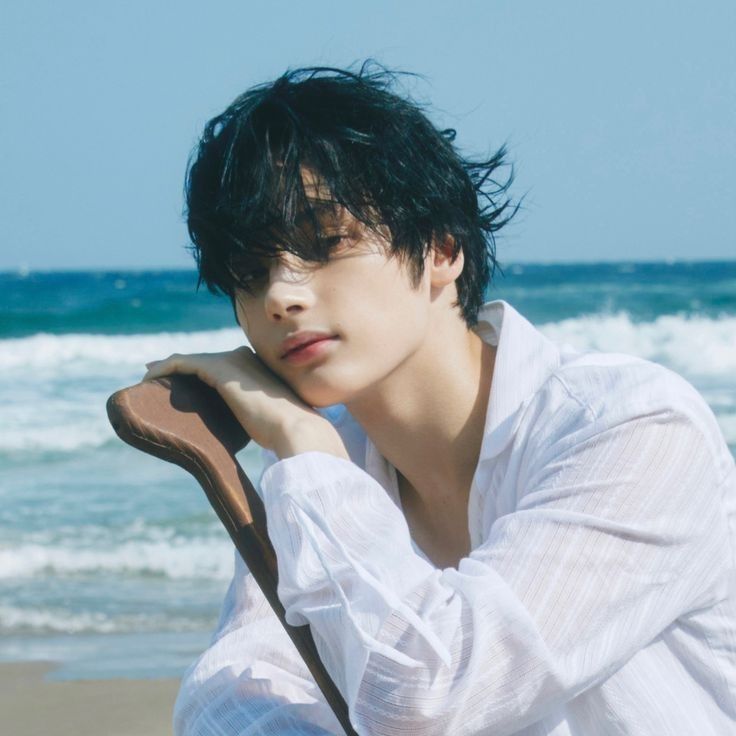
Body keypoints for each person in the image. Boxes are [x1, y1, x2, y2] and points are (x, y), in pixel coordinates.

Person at [143, 65, 736, 735]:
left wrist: (303, 446)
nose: (281, 294)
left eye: (325, 242)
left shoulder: (632, 427)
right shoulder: (328, 471)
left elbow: (431, 698)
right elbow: (230, 695)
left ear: (441, 249)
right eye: (251, 272)